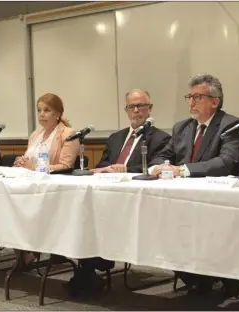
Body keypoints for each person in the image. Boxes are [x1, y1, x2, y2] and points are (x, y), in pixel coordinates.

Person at [148, 74, 239, 298]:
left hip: (218, 201)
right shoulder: (182, 127)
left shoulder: (231, 125)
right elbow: (161, 156)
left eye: (197, 97)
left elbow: (226, 162)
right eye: (189, 97)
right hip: (181, 200)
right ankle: (196, 278)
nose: (191, 102)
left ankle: (221, 278)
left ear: (215, 101)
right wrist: (157, 168)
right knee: (161, 228)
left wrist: (182, 170)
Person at [68, 89, 171, 296]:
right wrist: (104, 169)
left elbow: (154, 168)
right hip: (104, 195)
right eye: (131, 106)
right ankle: (89, 265)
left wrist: (126, 170)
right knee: (82, 214)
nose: (136, 110)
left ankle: (93, 264)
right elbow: (102, 165)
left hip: (133, 200)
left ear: (149, 108)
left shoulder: (161, 138)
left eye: (141, 106)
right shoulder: (116, 138)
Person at [12, 93, 80, 269]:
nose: (41, 114)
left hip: (53, 190)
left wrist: (34, 169)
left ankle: (30, 250)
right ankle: (25, 250)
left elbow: (66, 165)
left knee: (24, 210)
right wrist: (21, 162)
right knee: (10, 206)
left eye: (47, 110)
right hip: (30, 186)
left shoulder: (68, 134)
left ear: (58, 113)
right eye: (39, 110)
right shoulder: (35, 135)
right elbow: (30, 159)